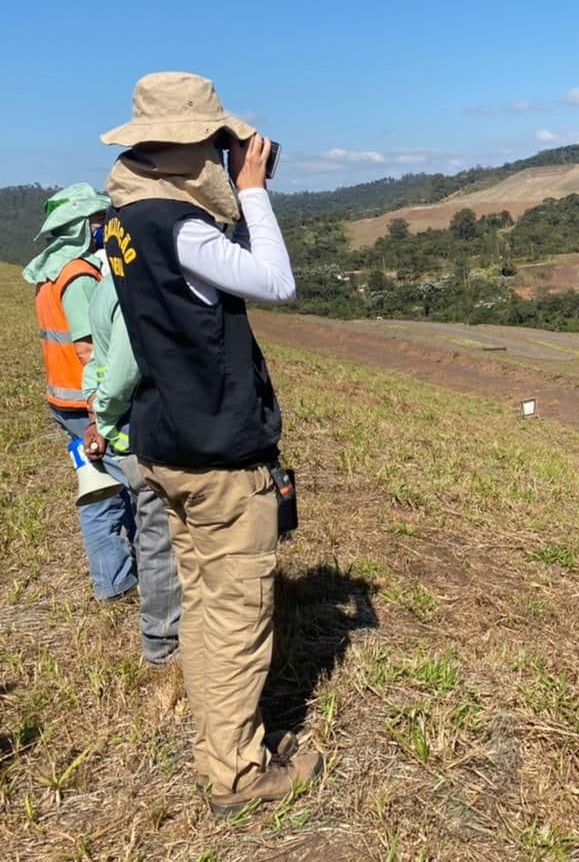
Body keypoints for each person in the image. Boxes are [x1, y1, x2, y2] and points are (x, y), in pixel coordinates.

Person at [101, 71, 320, 817]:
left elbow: (192, 287)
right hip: (219, 456)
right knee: (236, 616)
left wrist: (232, 189)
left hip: (167, 443)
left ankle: (216, 738)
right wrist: (252, 190)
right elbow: (276, 281)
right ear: (195, 144)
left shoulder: (129, 217)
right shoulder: (180, 225)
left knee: (202, 602)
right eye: (218, 141)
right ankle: (234, 772)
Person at [25, 183, 137, 601]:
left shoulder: (49, 270)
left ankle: (119, 573)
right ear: (79, 228)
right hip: (83, 401)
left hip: (63, 397)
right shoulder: (78, 276)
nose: (103, 228)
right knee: (106, 492)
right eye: (96, 222)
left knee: (100, 484)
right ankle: (115, 580)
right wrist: (98, 413)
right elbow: (90, 349)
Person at [81, 267, 182, 666]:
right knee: (159, 537)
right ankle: (163, 642)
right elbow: (123, 372)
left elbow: (96, 363)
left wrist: (96, 413)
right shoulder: (131, 287)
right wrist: (104, 417)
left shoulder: (105, 286)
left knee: (152, 531)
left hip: (124, 430)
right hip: (138, 432)